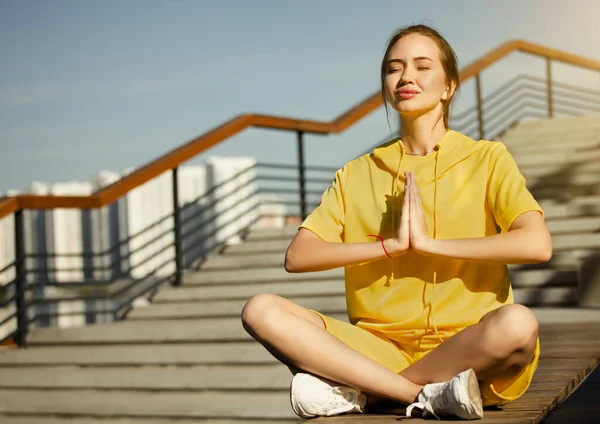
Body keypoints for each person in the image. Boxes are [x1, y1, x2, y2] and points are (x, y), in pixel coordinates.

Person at [241, 24, 552, 420]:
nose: (406, 77)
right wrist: (390, 246)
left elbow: (537, 244)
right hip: (378, 348)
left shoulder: (487, 159)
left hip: (469, 348)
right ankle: (420, 395)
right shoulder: (356, 173)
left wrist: (429, 244)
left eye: (422, 66)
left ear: (448, 87)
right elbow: (299, 255)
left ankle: (368, 391)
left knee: (518, 324)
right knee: (260, 310)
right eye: (394, 68)